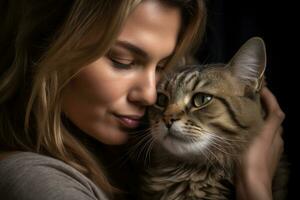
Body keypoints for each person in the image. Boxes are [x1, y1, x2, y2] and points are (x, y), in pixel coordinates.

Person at [0, 0, 285, 200]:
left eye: (162, 66)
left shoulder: (128, 157)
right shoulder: (36, 182)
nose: (150, 96)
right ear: (50, 45)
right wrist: (254, 184)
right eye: (122, 61)